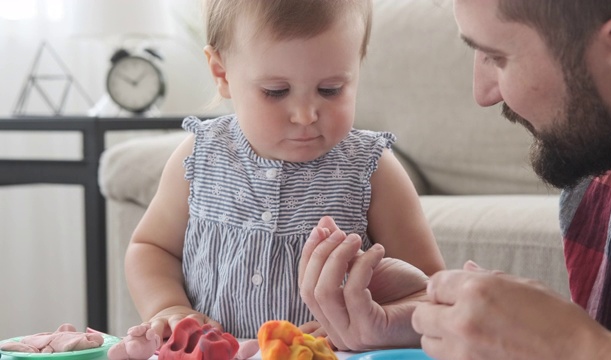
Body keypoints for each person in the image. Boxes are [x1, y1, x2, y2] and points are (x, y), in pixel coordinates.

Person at [298, 0, 611, 358]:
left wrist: (573, 347)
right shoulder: (599, 183)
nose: (483, 93)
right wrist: (424, 313)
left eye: (497, 57)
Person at [124, 0, 445, 341]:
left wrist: (364, 324)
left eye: (330, 90)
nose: (305, 114)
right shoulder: (201, 157)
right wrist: (168, 307)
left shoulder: (371, 168)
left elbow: (427, 290)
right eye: (276, 92)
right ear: (222, 73)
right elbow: (151, 247)